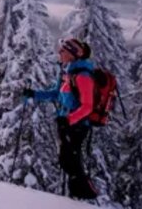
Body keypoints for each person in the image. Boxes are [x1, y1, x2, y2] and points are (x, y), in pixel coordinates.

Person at [23, 37, 99, 200]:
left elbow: (88, 106)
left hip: (77, 125)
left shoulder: (83, 77)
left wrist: (69, 120)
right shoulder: (68, 74)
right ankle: (76, 197)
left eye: (63, 50)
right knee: (66, 160)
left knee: (72, 161)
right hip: (65, 123)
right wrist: (34, 94)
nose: (59, 53)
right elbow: (56, 94)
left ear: (72, 55)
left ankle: (85, 196)